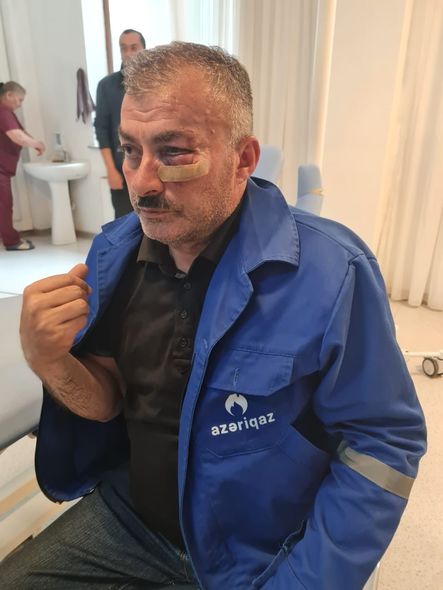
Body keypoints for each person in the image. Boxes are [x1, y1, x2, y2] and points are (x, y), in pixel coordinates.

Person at [1, 42, 426, 589]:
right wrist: (49, 361)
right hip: (133, 520)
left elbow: (383, 443)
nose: (141, 182)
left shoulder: (333, 272)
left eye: (174, 152)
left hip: (260, 548)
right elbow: (107, 399)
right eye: (130, 150)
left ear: (243, 159)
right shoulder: (112, 255)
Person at [94, 29, 145, 218]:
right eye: (124, 48)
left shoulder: (157, 83)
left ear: (144, 49)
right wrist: (111, 170)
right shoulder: (106, 86)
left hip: (153, 165)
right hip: (122, 167)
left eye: (134, 48)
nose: (128, 53)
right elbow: (101, 130)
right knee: (124, 223)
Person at [0, 81, 45, 251]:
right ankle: (11, 241)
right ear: (9, 95)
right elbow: (16, 136)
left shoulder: (7, 113)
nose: (20, 104)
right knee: (4, 205)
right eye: (19, 100)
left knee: (4, 204)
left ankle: (11, 237)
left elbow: (21, 132)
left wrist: (34, 142)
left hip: (3, 170)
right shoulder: (3, 111)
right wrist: (37, 144)